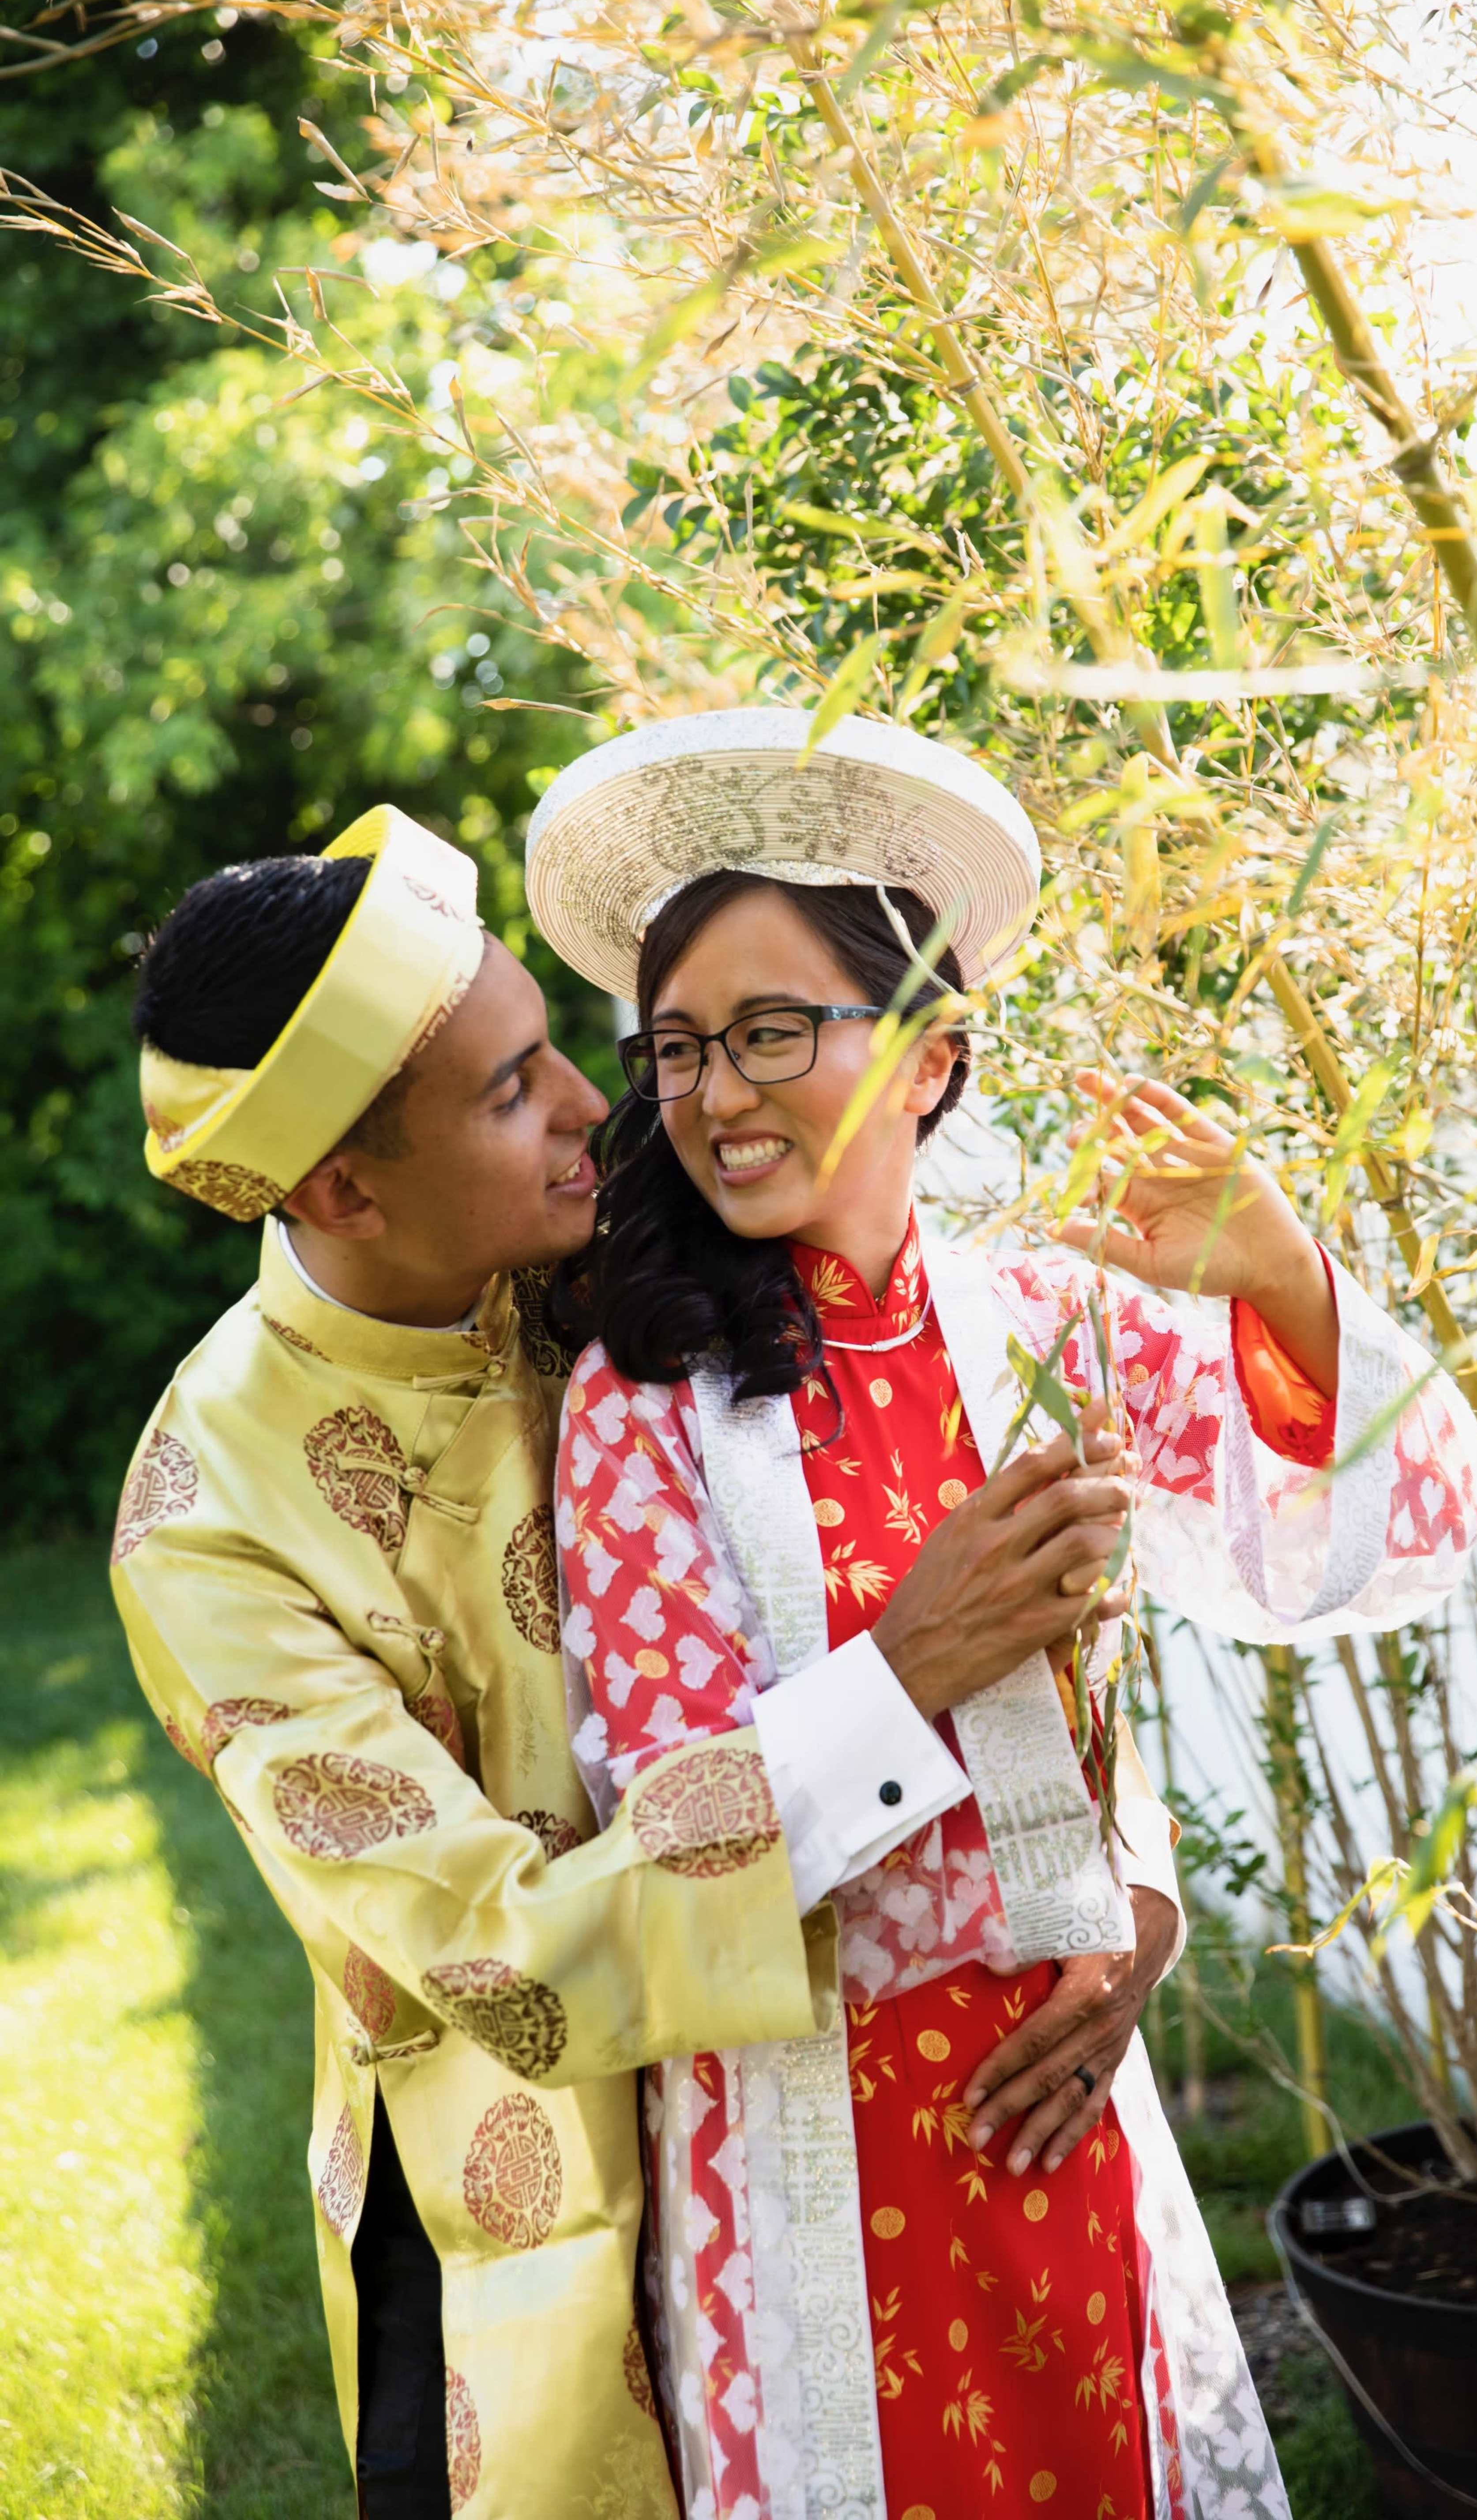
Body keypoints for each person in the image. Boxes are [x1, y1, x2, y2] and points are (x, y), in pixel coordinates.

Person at [110, 802, 1146, 2520]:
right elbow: (507, 1962)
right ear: (342, 1187)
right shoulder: (211, 1533)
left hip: (848, 2116)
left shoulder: (646, 1256)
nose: (605, 1106)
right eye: (516, 1092)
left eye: (566, 1052)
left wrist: (1127, 1893)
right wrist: (900, 1678)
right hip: (513, 2216)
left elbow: (1005, 1509)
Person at [527, 708, 1477, 2520]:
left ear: (930, 1056)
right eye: (677, 1048)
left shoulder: (1050, 1324)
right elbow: (663, 1834)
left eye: (771, 1031)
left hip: (1068, 2105)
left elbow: (1370, 1541)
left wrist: (1280, 1270)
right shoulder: (646, 1405)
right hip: (811, 2140)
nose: (718, 1094)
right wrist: (915, 1661)